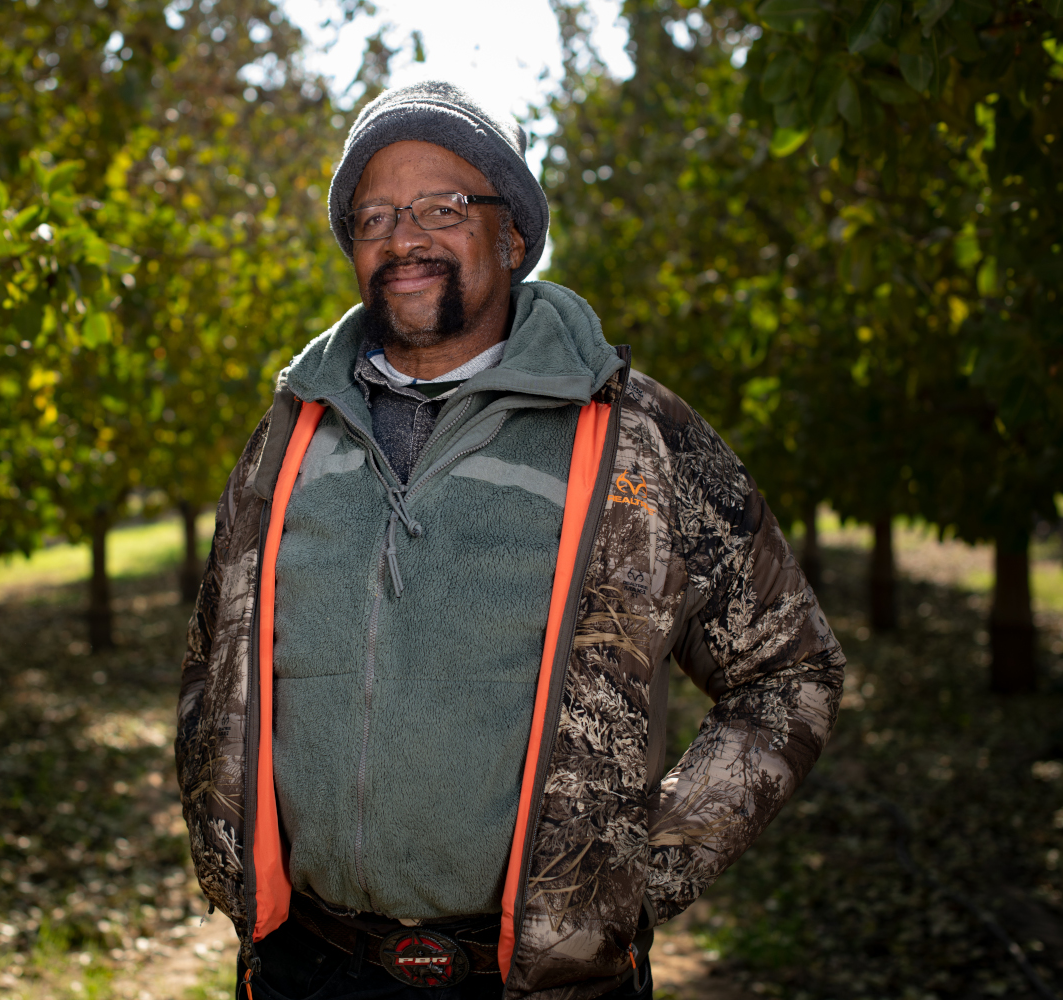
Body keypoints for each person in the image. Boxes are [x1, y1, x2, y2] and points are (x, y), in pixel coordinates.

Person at [176, 81, 845, 1000]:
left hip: (541, 986)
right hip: (308, 967)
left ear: (514, 237)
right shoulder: (288, 437)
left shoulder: (629, 433)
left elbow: (788, 668)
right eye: (374, 215)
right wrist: (221, 847)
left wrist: (639, 873)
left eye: (442, 208)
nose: (403, 237)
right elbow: (214, 660)